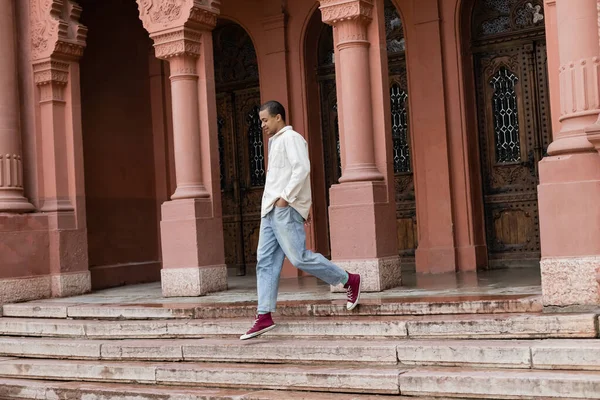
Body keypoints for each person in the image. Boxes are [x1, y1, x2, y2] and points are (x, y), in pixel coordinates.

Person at [240, 100, 361, 341]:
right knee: (264, 261)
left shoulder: (291, 138)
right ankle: (264, 315)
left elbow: (302, 168)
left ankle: (349, 280)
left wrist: (286, 199)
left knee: (299, 257)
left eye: (265, 120)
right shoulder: (274, 142)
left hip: (283, 208)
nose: (262, 125)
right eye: (261, 121)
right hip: (269, 211)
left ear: (278, 118)